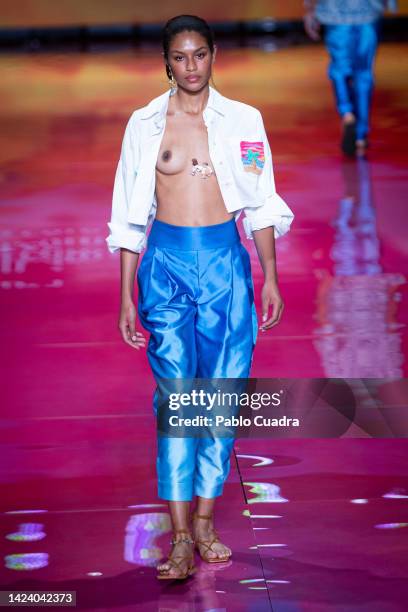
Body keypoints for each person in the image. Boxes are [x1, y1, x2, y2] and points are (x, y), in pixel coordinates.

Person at [106, 14, 294, 580]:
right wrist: (125, 297)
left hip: (226, 268)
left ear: (214, 55)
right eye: (181, 57)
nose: (192, 67)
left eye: (200, 55)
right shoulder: (143, 124)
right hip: (163, 267)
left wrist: (270, 275)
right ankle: (181, 535)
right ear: (168, 62)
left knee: (221, 395)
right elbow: (127, 214)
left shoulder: (243, 120)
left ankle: (207, 519)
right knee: (176, 399)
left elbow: (260, 200)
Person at [303, 0, 398, 157]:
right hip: (368, 11)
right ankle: (360, 135)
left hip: (335, 12)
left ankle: (346, 112)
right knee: (363, 73)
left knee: (339, 70)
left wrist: (310, 9)